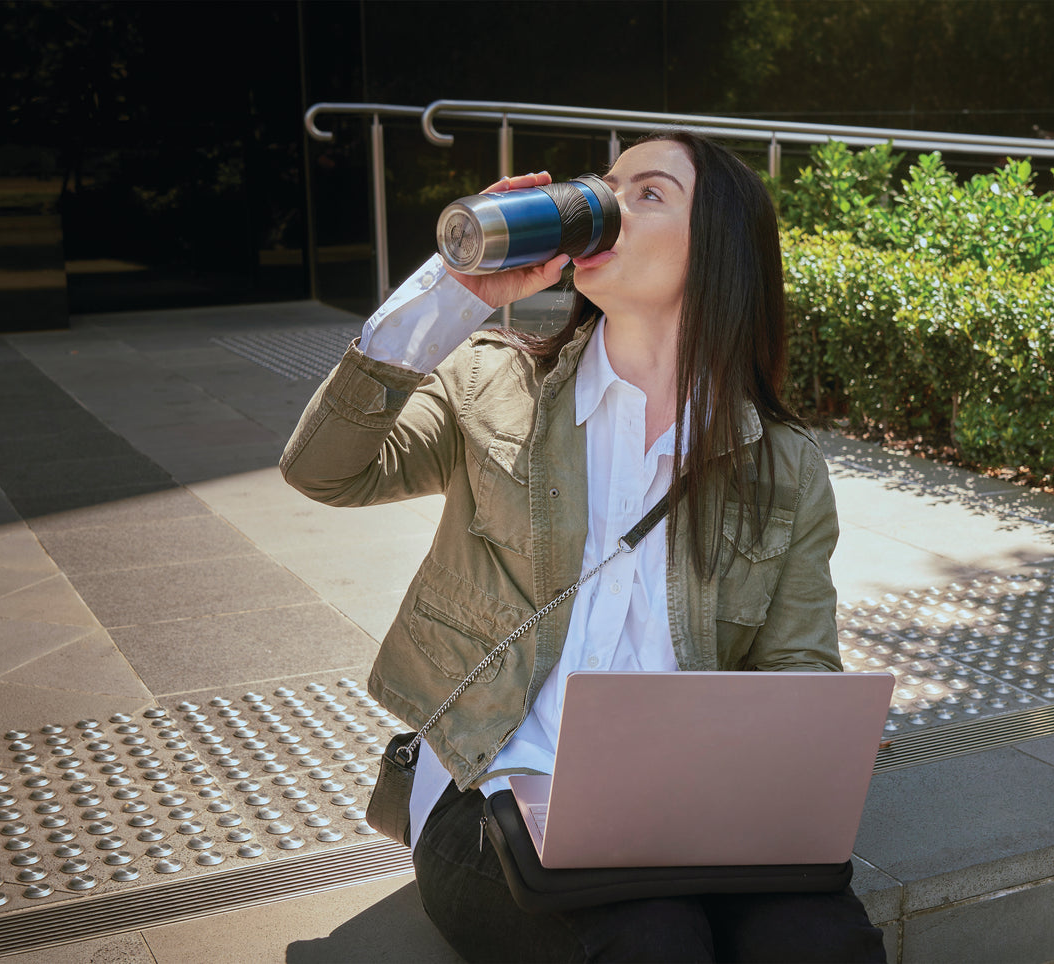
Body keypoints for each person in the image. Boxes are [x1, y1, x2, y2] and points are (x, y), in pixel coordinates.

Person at [281, 130, 887, 963]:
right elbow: (324, 472)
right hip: (490, 789)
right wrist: (450, 293)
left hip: (692, 803)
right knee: (654, 943)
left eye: (647, 195)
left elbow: (800, 666)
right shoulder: (493, 384)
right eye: (603, 188)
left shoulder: (782, 467)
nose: (603, 208)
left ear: (718, 252)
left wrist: (801, 745)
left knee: (819, 946)